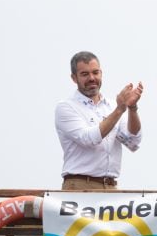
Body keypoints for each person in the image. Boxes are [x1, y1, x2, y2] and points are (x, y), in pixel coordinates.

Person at [55, 51, 143, 190]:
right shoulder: (66, 107)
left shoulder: (112, 105)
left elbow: (132, 142)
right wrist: (120, 110)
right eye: (85, 74)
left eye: (95, 72)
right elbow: (89, 139)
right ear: (74, 78)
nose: (92, 78)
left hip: (111, 186)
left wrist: (132, 108)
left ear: (101, 73)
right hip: (80, 185)